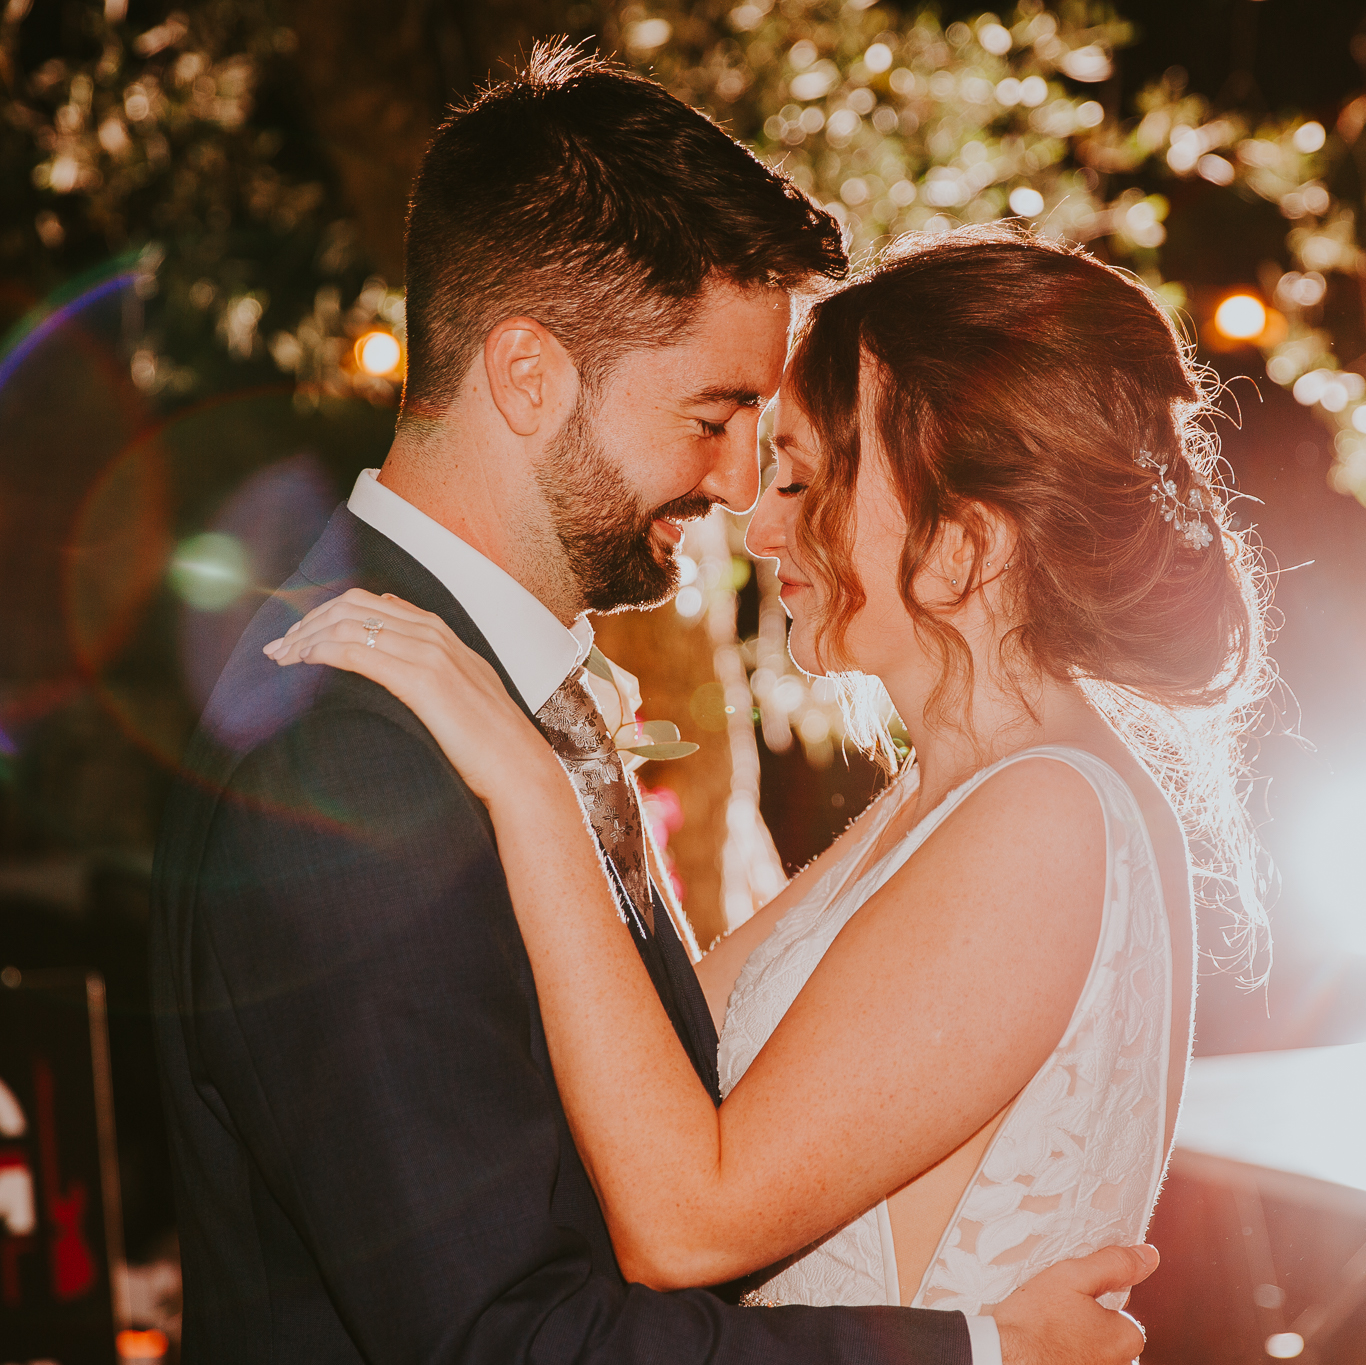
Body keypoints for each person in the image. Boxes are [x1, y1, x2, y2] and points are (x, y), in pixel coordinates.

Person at [149, 47, 1156, 1364]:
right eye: (718, 410)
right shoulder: (352, 761)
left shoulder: (499, 696)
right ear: (528, 377)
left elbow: (667, 1098)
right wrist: (974, 1350)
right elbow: (508, 1340)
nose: (747, 484)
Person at [267, 225, 1273, 1314]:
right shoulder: (952, 801)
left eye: (803, 479)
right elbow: (651, 1060)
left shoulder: (1043, 822)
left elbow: (683, 1221)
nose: (759, 526)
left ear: (964, 542)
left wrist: (529, 781)